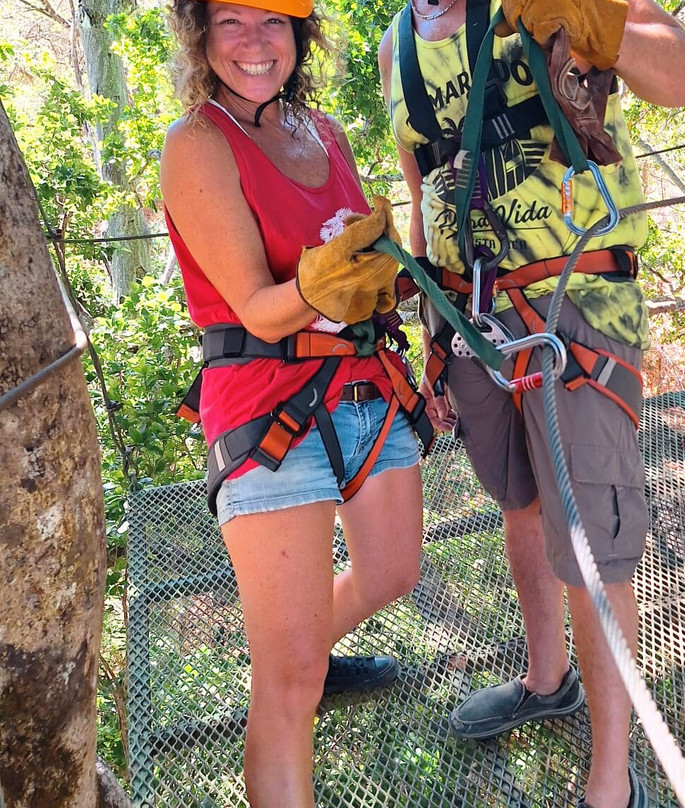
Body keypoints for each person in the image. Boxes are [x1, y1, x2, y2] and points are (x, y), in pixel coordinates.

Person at [379, 2, 685, 806]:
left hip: (577, 312)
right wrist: (428, 320)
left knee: (592, 540)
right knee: (519, 501)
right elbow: (426, 189)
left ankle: (611, 776)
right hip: (471, 320)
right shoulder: (395, 45)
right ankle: (545, 674)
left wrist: (595, 25)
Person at [161, 0, 427, 805]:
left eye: (273, 23)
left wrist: (389, 277)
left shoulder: (326, 134)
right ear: (200, 36)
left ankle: (297, 655)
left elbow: (366, 272)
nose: (255, 42)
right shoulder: (198, 145)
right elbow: (254, 306)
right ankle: (291, 677)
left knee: (392, 572)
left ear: (299, 36)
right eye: (232, 21)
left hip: (363, 389)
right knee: (292, 685)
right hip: (267, 405)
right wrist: (316, 281)